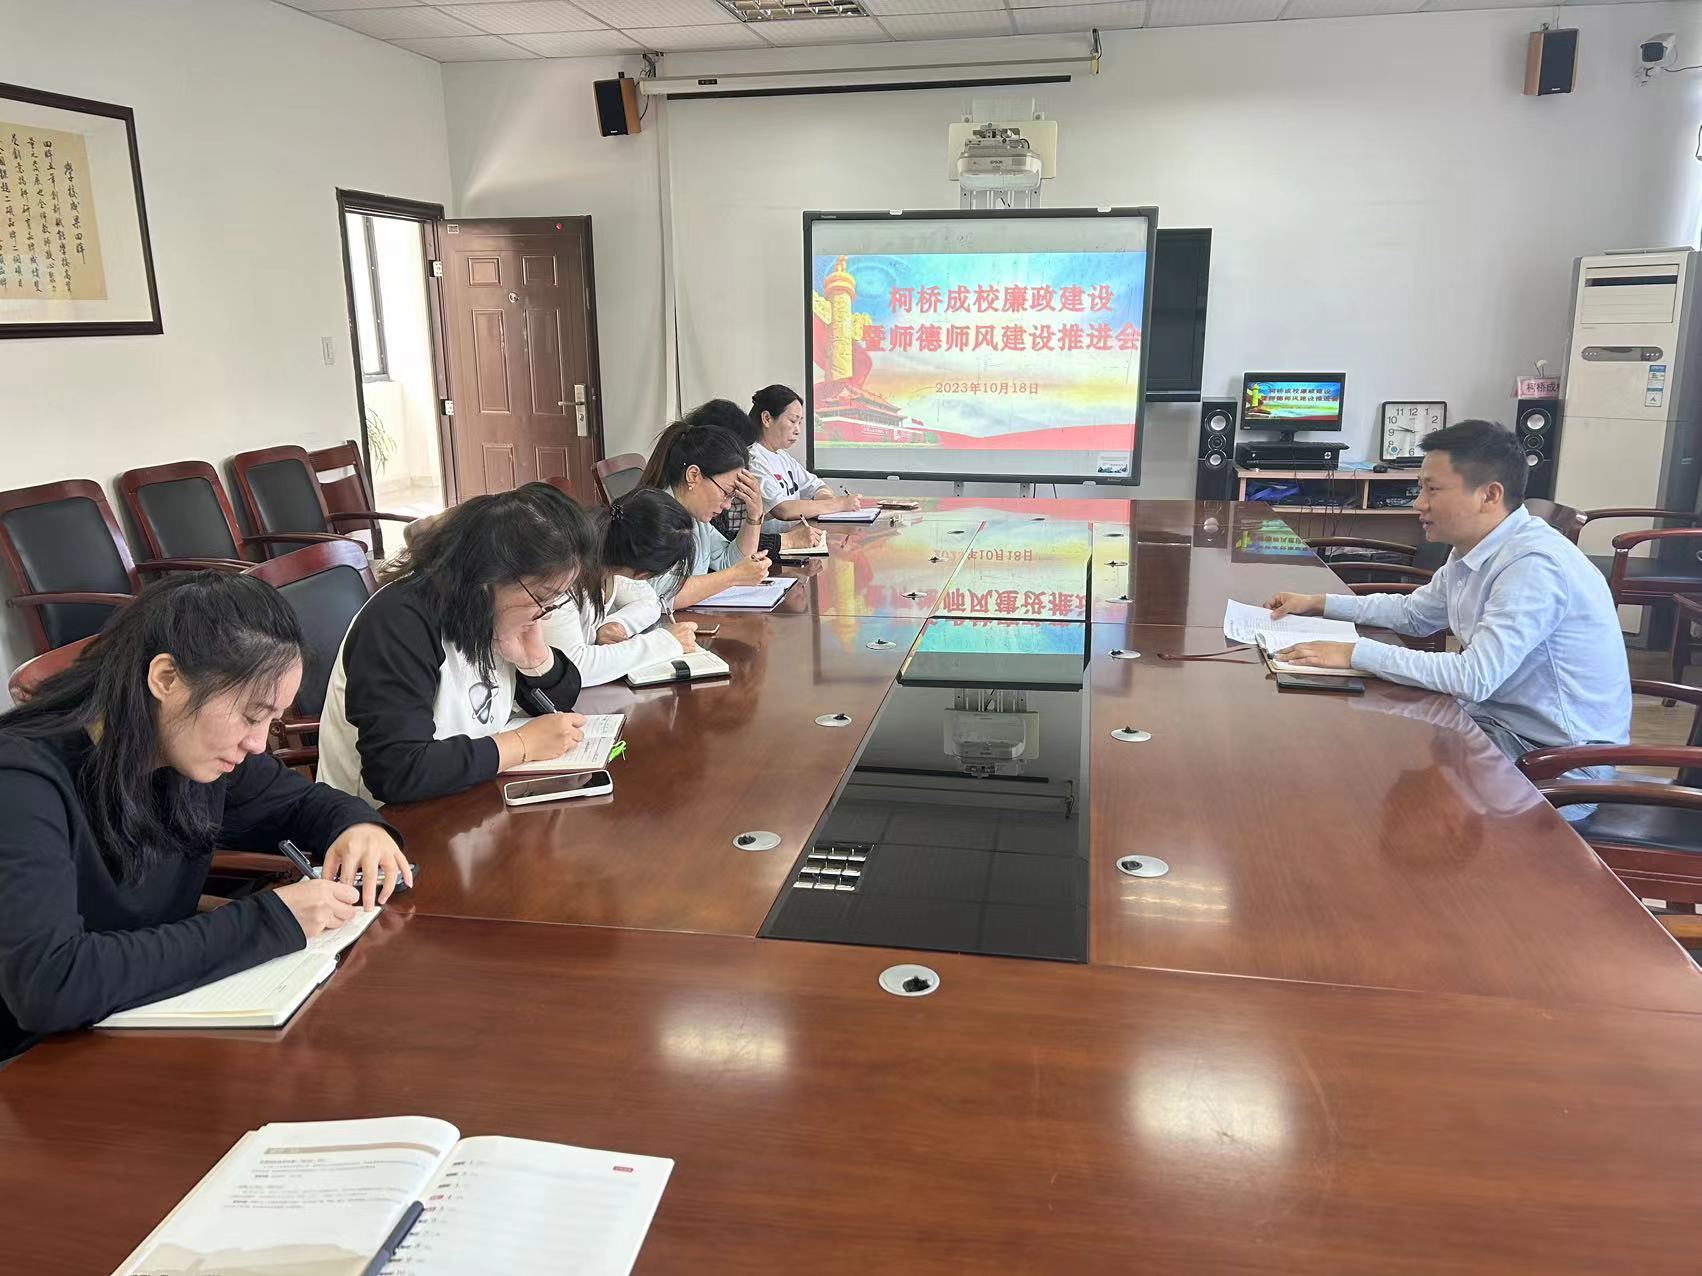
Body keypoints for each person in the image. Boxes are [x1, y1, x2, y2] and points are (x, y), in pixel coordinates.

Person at [0, 572, 407, 1058]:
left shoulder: (190, 749)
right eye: (251, 715)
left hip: (134, 1026)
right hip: (34, 1063)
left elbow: (302, 803)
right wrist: (271, 921)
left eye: (271, 721)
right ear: (166, 679)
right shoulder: (21, 781)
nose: (259, 743)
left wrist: (359, 826)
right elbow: (50, 983)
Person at [1265, 419, 1629, 815]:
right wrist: (1319, 603)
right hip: (1496, 728)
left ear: (1489, 495)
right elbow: (1415, 614)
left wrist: (1354, 654)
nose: (1419, 503)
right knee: (1357, 754)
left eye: (1432, 489)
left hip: (1557, 764)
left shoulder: (1534, 564)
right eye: (1420, 488)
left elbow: (1474, 677)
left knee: (1371, 784)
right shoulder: (1475, 547)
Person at [316, 483, 596, 806]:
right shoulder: (398, 621)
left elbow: (559, 704)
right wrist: (522, 744)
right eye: (542, 597)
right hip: (383, 823)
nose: (544, 612)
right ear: (490, 576)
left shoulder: (489, 612)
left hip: (465, 800)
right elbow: (398, 770)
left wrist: (535, 662)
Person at [639, 418, 815, 611]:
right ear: (693, 476)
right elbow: (662, 594)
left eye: (733, 496)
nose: (727, 505)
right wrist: (734, 576)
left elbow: (728, 561)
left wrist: (754, 516)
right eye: (726, 492)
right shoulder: (654, 515)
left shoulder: (695, 516)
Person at [542, 488, 703, 686]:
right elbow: (573, 667)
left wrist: (615, 624)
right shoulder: (564, 574)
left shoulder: (607, 547)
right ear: (643, 573)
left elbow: (650, 601)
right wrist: (666, 642)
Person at [746, 384, 862, 529]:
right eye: (792, 421)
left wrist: (826, 501)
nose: (798, 430)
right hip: (770, 542)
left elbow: (818, 486)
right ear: (767, 419)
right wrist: (838, 504)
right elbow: (783, 509)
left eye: (799, 422)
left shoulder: (783, 457)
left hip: (796, 537)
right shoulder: (753, 459)